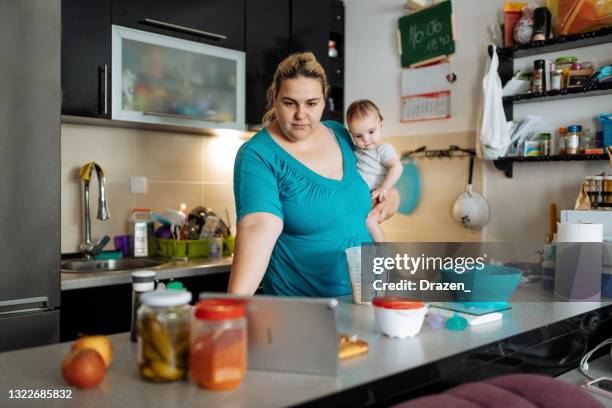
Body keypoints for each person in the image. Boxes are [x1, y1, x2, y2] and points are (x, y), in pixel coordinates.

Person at [228, 52, 399, 297]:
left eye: (311, 103)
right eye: (289, 103)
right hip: (305, 311)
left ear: (324, 99)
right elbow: (258, 227)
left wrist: (388, 200)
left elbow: (382, 184)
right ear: (274, 98)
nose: (301, 115)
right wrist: (231, 310)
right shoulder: (258, 155)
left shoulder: (341, 134)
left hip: (366, 300)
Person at [346, 100, 403, 242]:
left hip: (378, 197)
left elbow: (397, 167)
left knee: (370, 222)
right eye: (358, 136)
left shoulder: (383, 149)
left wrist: (384, 188)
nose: (366, 139)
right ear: (351, 134)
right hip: (363, 198)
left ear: (381, 124)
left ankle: (382, 250)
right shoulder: (356, 151)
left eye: (371, 132)